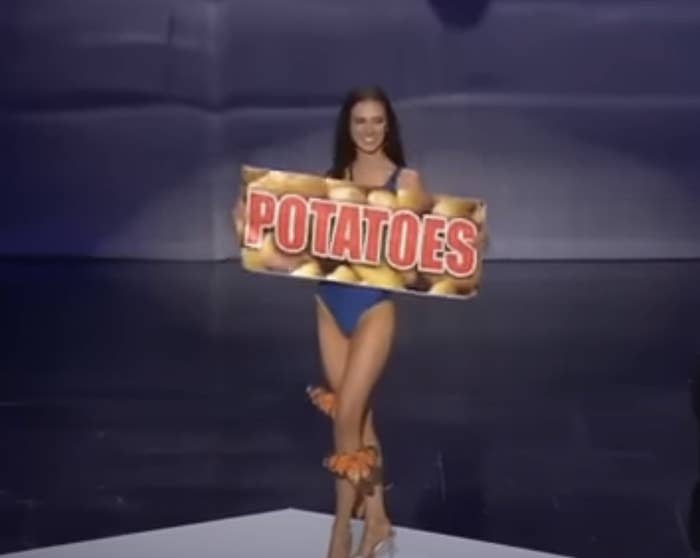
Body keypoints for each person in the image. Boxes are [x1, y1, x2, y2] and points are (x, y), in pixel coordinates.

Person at [234, 86, 431, 558]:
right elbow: (303, 257)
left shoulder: (406, 181)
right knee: (357, 419)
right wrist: (251, 233)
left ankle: (342, 532)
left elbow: (422, 269)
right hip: (328, 305)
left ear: (389, 126)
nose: (368, 130)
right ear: (348, 126)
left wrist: (467, 243)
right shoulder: (332, 181)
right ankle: (379, 520)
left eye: (377, 121)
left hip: (373, 309)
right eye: (360, 121)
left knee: (345, 413)